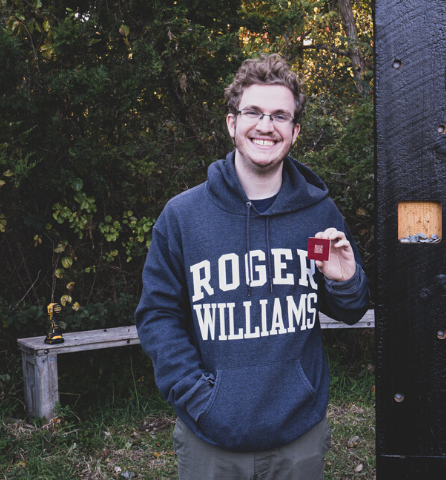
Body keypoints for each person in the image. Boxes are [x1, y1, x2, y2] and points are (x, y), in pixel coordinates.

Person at [135, 54, 370, 480]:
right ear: (231, 123)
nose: (266, 126)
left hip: (297, 436)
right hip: (210, 440)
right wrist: (198, 398)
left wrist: (346, 282)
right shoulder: (184, 217)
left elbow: (350, 309)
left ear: (295, 131)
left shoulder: (316, 214)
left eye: (280, 116)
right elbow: (158, 317)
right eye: (254, 113)